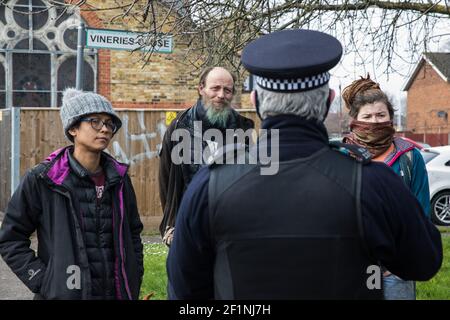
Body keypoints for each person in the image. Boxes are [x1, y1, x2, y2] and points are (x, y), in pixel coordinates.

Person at [166, 29, 443, 299]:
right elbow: (424, 261)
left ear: (256, 100)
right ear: (329, 101)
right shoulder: (373, 183)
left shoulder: (211, 184)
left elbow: (185, 289)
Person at [0, 88, 144, 300]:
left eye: (109, 123)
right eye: (95, 121)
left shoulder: (119, 178)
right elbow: (10, 238)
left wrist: (134, 275)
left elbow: (133, 233)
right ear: (73, 128)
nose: (104, 129)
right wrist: (45, 280)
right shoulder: (45, 179)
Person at [341, 75, 431, 300]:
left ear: (391, 117)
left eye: (381, 115)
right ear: (354, 121)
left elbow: (421, 214)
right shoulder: (340, 157)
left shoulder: (410, 158)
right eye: (367, 116)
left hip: (397, 271)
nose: (374, 122)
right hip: (353, 270)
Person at [158, 66, 254, 246]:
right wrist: (171, 221)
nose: (221, 95)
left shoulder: (243, 129)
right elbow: (166, 178)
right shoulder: (179, 127)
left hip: (230, 229)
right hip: (188, 226)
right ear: (201, 88)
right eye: (215, 88)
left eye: (227, 90)